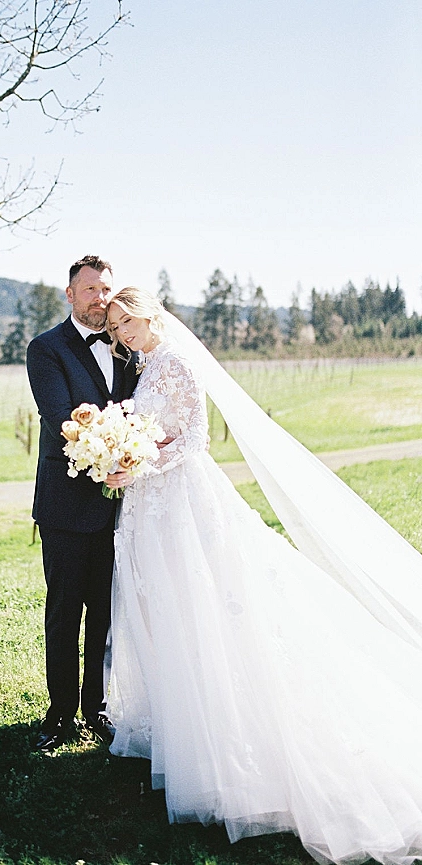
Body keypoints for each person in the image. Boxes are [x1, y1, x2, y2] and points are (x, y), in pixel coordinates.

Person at [104, 285, 422, 865]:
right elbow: (156, 429)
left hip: (181, 499)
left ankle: (224, 745)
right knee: (164, 607)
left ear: (150, 314)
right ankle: (177, 731)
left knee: (201, 602)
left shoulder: (174, 360)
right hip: (150, 502)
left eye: (129, 321)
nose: (123, 332)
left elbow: (195, 439)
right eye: (116, 326)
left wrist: (139, 461)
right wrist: (124, 457)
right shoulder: (146, 364)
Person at [26, 256, 139, 751]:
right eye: (89, 289)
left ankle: (96, 707)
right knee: (64, 610)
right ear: (70, 294)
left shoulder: (127, 351)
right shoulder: (46, 349)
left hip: (122, 509)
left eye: (105, 290)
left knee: (106, 613)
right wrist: (107, 452)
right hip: (66, 507)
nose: (99, 298)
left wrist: (130, 461)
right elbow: (60, 419)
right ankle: (60, 713)